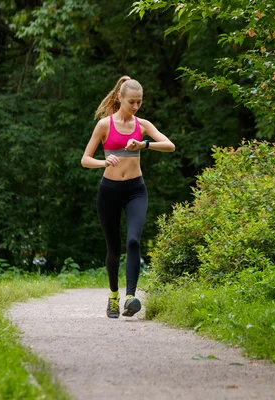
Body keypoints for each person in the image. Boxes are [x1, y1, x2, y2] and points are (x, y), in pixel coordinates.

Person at [81, 76, 175, 318]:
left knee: (133, 241)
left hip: (135, 190)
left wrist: (144, 145)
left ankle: (131, 297)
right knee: (113, 249)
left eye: (139, 102)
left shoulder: (142, 125)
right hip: (109, 191)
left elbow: (169, 145)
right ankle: (113, 295)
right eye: (131, 101)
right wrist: (104, 161)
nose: (135, 107)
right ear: (120, 98)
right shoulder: (104, 125)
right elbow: (85, 159)